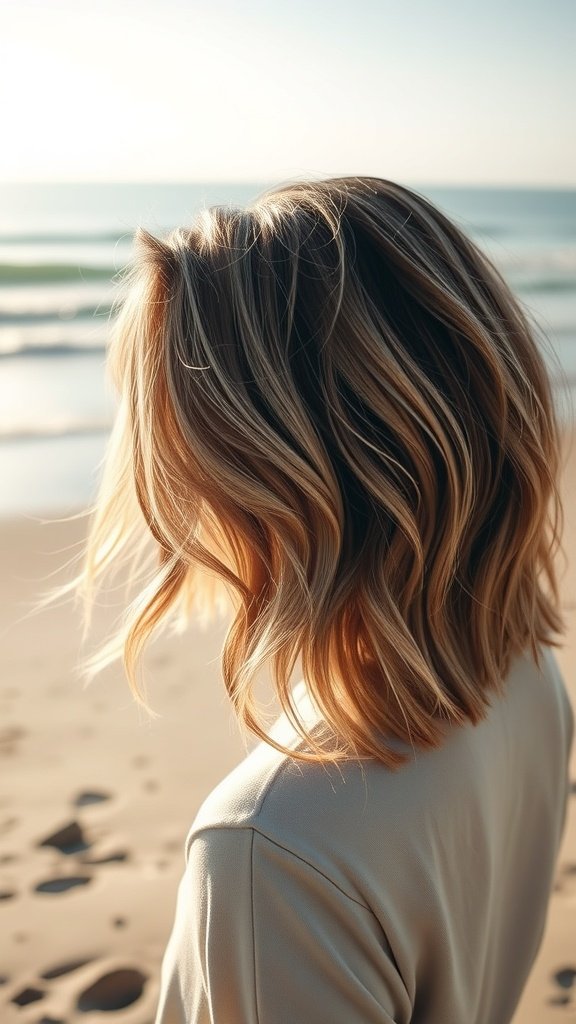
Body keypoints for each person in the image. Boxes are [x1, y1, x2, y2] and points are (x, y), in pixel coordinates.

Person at [63, 177, 574, 1022]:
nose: (179, 497)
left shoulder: (271, 857)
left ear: (266, 476)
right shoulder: (523, 672)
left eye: (188, 442)